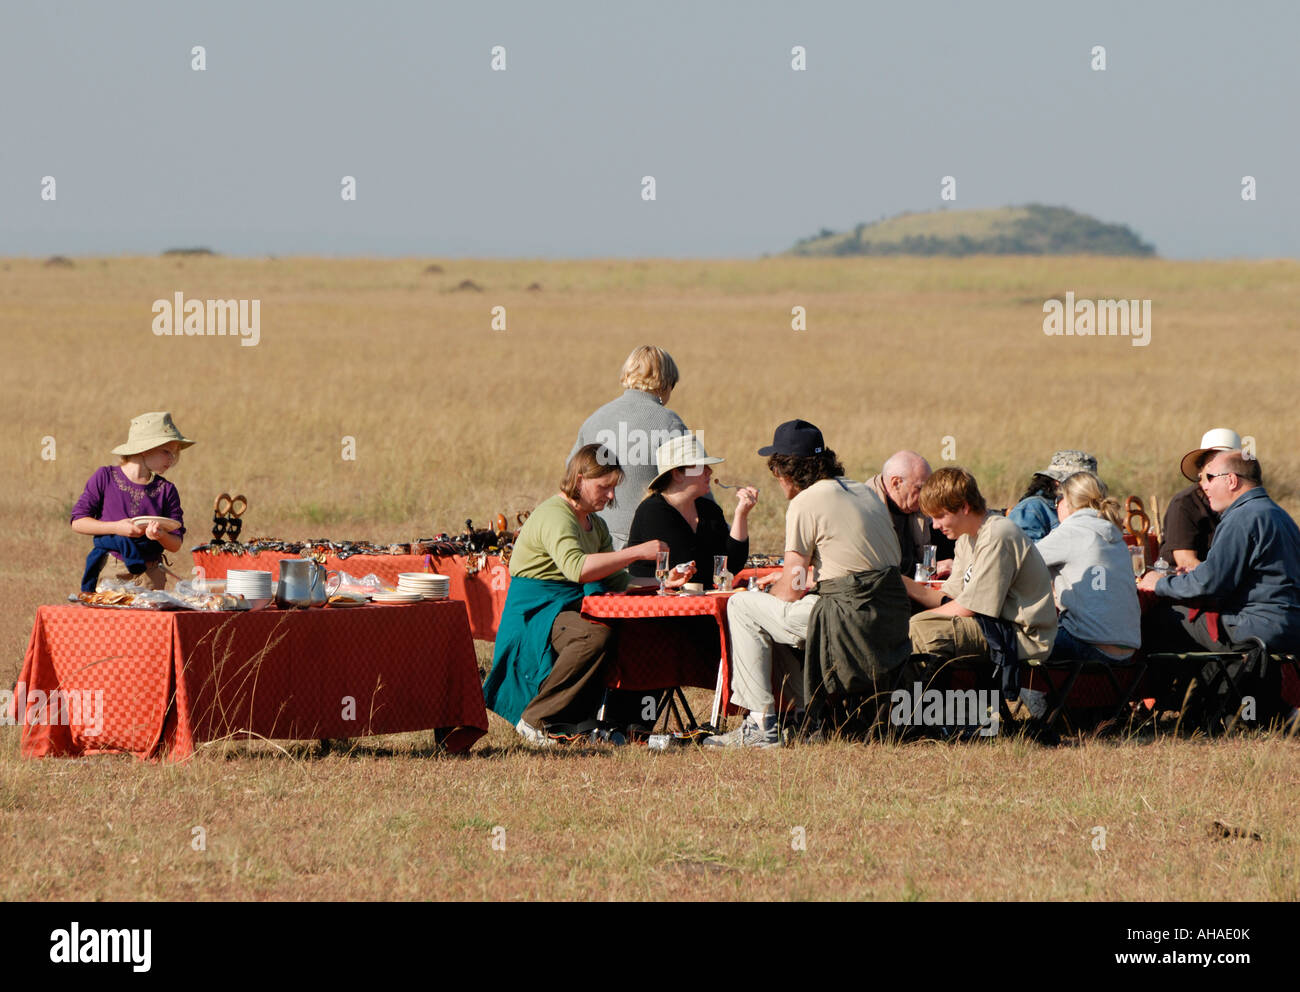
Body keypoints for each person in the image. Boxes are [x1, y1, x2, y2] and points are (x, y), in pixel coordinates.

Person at [704, 420, 908, 748]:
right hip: (889, 616)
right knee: (774, 620)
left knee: (742, 607)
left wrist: (765, 594)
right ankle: (802, 713)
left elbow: (793, 585)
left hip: (844, 618)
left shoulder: (805, 501)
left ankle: (760, 725)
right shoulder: (866, 492)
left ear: (786, 470)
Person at [482, 444, 689, 748]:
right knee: (592, 636)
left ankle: (590, 720)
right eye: (604, 487)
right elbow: (577, 569)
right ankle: (536, 718)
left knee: (625, 629)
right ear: (579, 480)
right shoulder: (556, 515)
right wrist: (636, 552)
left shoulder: (596, 524)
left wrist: (663, 582)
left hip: (566, 606)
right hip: (535, 614)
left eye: (613, 489)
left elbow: (617, 580)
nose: (610, 496)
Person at [908, 467, 1057, 706]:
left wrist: (919, 619)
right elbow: (949, 599)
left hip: (1020, 635)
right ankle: (907, 711)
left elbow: (969, 608)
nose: (934, 526)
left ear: (964, 507)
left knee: (923, 629)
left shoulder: (998, 534)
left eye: (939, 516)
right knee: (910, 624)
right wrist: (904, 586)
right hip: (992, 627)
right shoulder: (966, 539)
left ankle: (915, 713)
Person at [1139, 451, 1300, 654]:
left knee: (1159, 619)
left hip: (1255, 627)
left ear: (1231, 480)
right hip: (1291, 628)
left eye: (1210, 477)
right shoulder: (1280, 515)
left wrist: (1159, 584)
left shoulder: (1242, 517)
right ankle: (1223, 684)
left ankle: (1154, 687)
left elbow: (1210, 584)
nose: (1204, 485)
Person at [569, 345, 689, 549]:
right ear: (666, 384)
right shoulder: (668, 422)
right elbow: (693, 485)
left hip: (591, 538)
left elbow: (571, 479)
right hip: (645, 544)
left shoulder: (595, 419)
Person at [71, 411, 193, 592]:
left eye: (174, 453)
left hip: (151, 574)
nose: (172, 459)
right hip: (111, 569)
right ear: (145, 448)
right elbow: (78, 522)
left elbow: (176, 544)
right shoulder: (105, 477)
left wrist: (161, 536)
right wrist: (116, 528)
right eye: (167, 451)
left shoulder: (167, 490)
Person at [626, 434, 756, 590]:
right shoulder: (654, 512)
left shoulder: (709, 509)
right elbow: (687, 566)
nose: (710, 471)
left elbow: (732, 565)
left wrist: (741, 515)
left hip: (697, 600)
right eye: (701, 466)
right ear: (677, 474)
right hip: (660, 604)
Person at [1034, 473, 1141, 662]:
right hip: (1128, 650)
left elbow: (1020, 562)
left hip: (1087, 643)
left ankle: (1013, 693)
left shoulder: (1072, 531)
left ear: (1067, 502)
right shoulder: (1116, 536)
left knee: (1017, 646)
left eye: (1058, 499)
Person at [1158, 428, 1241, 568]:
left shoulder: (1244, 505)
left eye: (1225, 470)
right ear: (1200, 471)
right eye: (1212, 468)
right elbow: (1186, 563)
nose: (1217, 474)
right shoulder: (1184, 504)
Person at [866, 450, 934, 580]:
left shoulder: (923, 507)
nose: (927, 495)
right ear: (896, 483)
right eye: (920, 488)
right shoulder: (866, 513)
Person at [1006, 450, 1098, 541]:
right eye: (1079, 483)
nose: (1086, 488)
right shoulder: (1031, 509)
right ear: (1057, 482)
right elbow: (1030, 552)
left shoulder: (1093, 507)